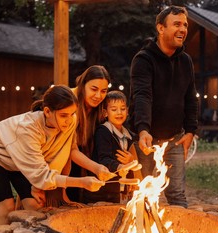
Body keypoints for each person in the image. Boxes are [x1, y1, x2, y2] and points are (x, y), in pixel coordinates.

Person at [0, 85, 114, 225]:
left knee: (35, 206)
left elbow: (58, 153)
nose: (68, 120)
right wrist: (81, 182)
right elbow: (42, 175)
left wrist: (38, 186)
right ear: (47, 111)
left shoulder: (70, 121)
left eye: (72, 113)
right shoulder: (28, 129)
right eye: (63, 115)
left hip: (22, 161)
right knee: (6, 209)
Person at [128, 6, 199, 208]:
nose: (183, 29)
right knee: (143, 194)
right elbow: (142, 96)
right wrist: (143, 129)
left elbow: (191, 97)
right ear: (160, 28)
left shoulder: (186, 61)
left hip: (175, 139)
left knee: (177, 195)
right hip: (146, 140)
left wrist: (191, 130)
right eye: (177, 24)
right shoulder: (143, 59)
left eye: (185, 25)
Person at [83, 90, 141, 204]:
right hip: (99, 191)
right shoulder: (103, 132)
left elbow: (129, 163)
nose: (119, 112)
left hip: (116, 193)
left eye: (123, 109)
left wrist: (130, 173)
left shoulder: (128, 136)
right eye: (114, 109)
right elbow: (104, 159)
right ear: (105, 113)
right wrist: (120, 167)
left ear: (128, 111)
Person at [65, 65, 111, 202]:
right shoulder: (69, 102)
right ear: (83, 84)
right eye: (94, 89)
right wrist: (96, 168)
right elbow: (69, 149)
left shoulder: (100, 110)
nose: (98, 96)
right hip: (60, 161)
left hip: (81, 163)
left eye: (103, 91)